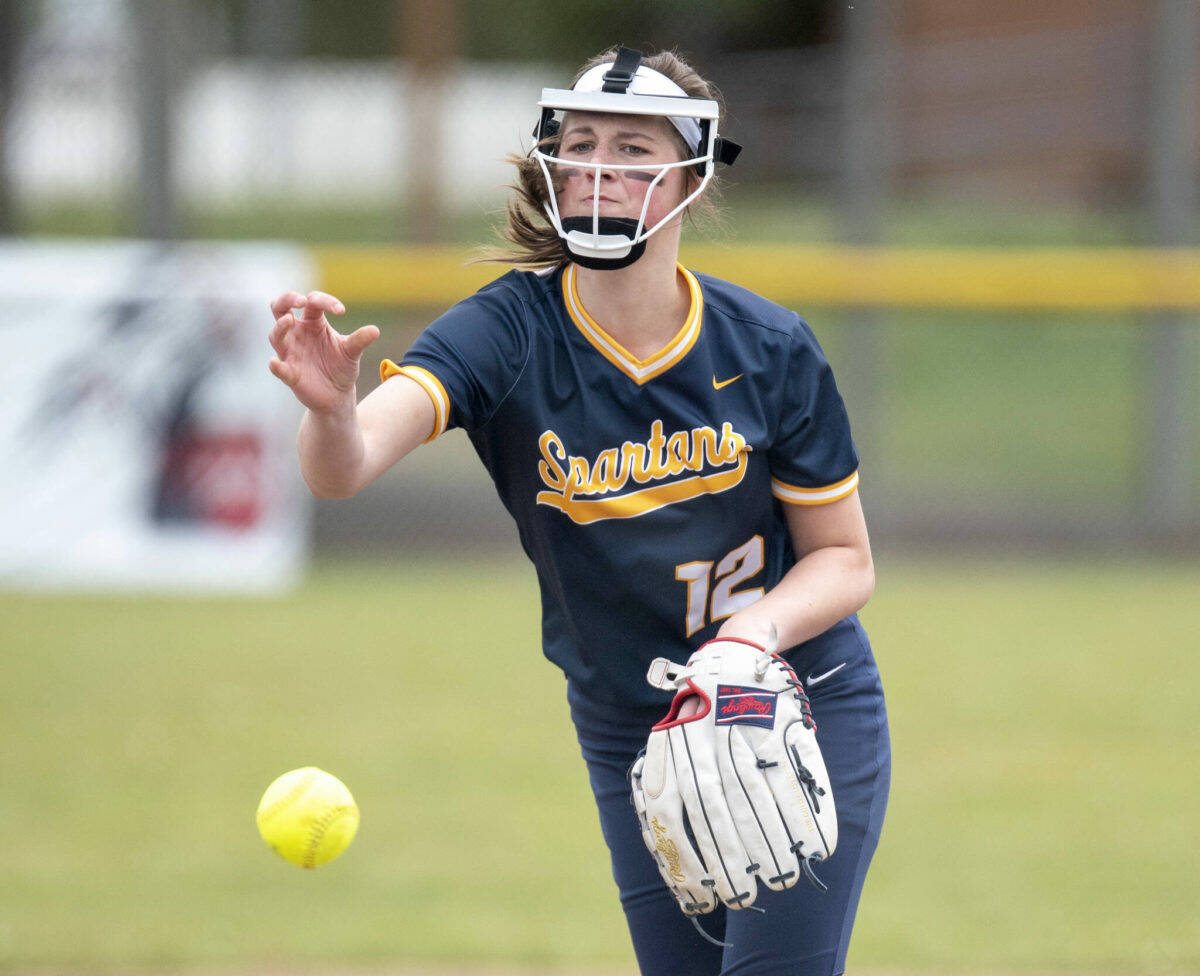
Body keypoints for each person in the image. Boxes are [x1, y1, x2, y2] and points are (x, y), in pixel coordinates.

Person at [268, 46, 890, 976]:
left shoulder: (765, 345)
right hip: (629, 720)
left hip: (794, 699)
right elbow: (343, 470)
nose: (599, 165)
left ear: (691, 175)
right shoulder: (508, 329)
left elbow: (846, 560)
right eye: (582, 142)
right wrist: (328, 413)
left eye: (633, 149)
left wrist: (746, 640)